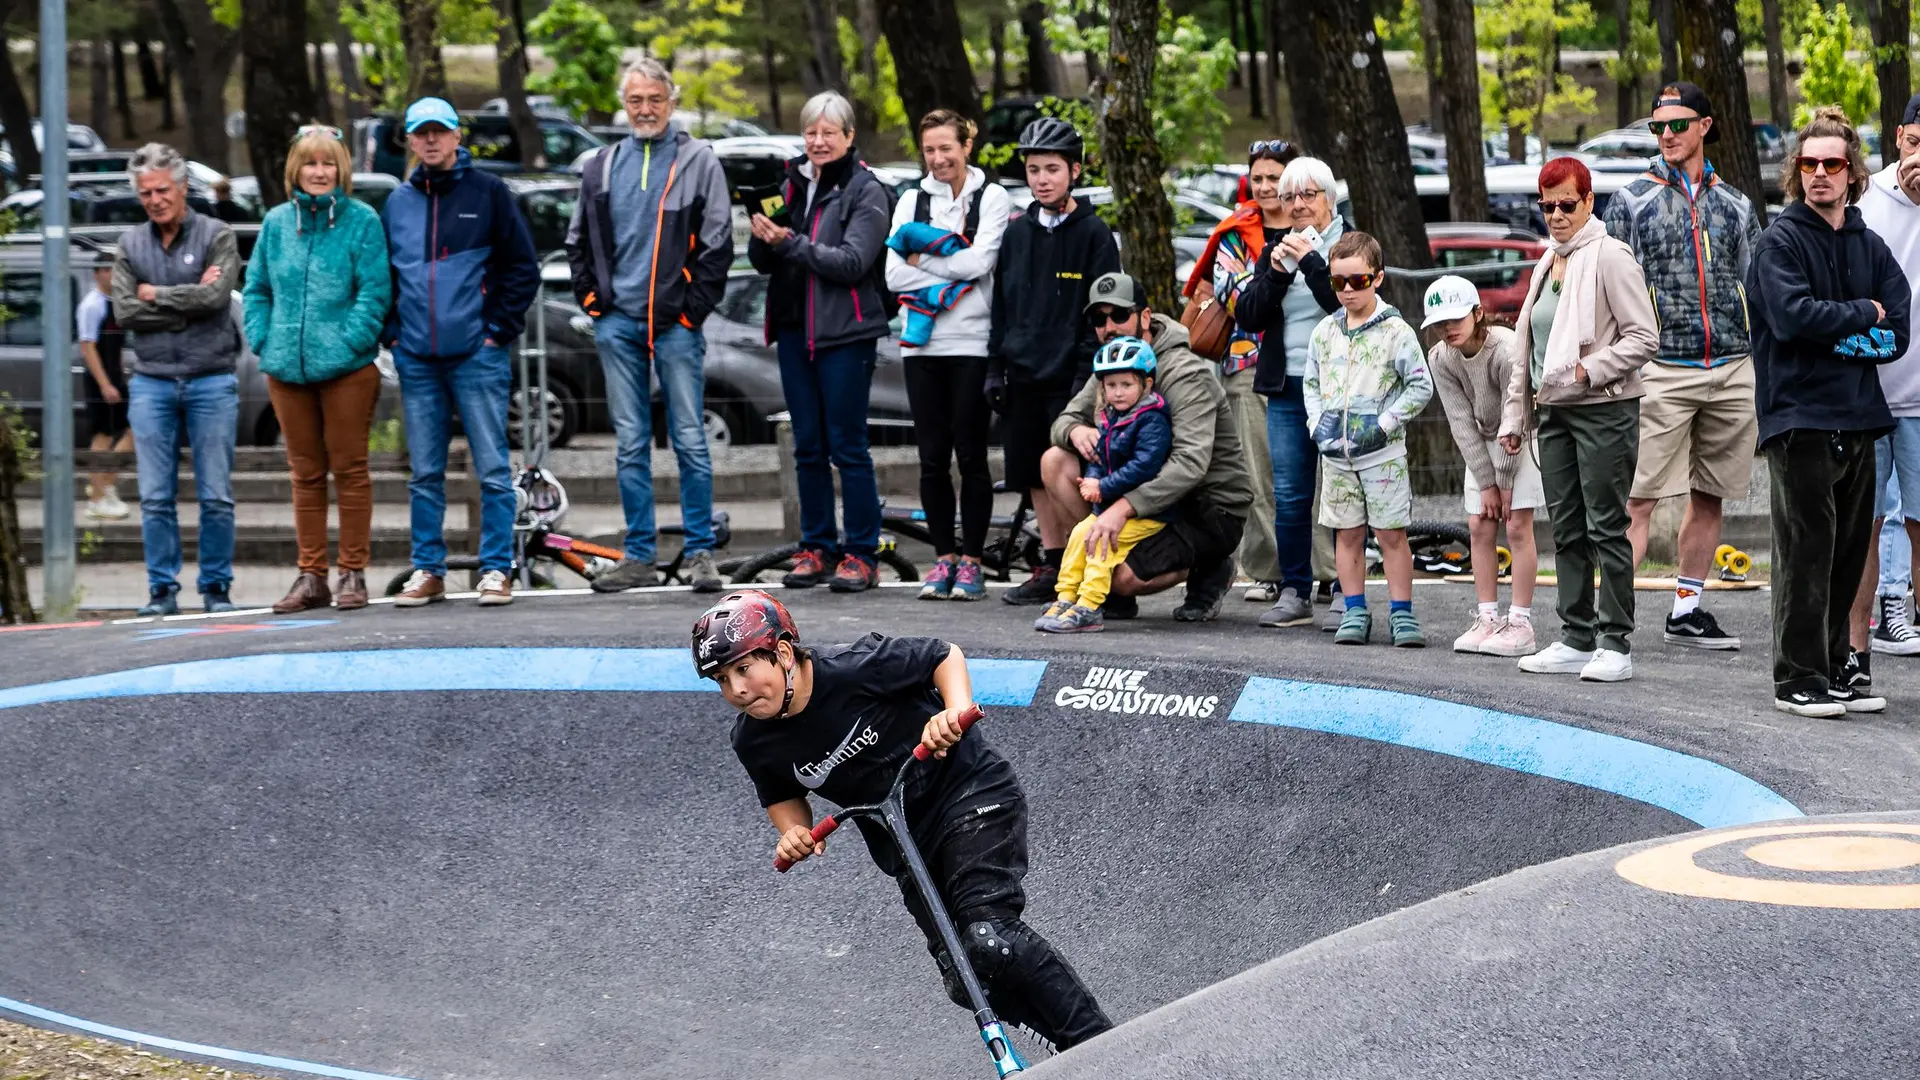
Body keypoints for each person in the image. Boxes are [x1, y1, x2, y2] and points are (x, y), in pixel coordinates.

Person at [696, 590, 1112, 1052]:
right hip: (905, 841)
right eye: (721, 680)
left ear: (784, 653)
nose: (736, 690)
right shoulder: (753, 739)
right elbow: (782, 794)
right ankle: (1076, 1056)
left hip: (968, 793)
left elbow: (943, 655)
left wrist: (953, 710)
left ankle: (1105, 1047)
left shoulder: (856, 666)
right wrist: (792, 831)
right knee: (965, 975)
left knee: (989, 937)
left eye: (743, 669)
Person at [1748, 107, 1909, 717]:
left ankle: (1839, 668)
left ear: (1851, 173)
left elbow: (1897, 332)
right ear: (1797, 171)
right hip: (1798, 418)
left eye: (1832, 163)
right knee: (1805, 549)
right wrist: (1858, 317)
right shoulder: (1778, 243)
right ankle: (1798, 677)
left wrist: (1838, 329)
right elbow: (1791, 319)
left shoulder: (1869, 245)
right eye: (1809, 163)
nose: (1820, 173)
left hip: (1860, 417)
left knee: (1846, 553)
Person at [1603, 82, 1761, 650]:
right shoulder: (1632, 200)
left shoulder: (1737, 204)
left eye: (1676, 124)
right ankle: (1610, 624)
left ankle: (1687, 610)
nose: (1666, 135)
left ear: (1705, 126)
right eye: (1657, 127)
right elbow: (1607, 287)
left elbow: (1757, 284)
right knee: (1638, 498)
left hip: (1731, 362)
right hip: (1662, 367)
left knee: (1711, 493)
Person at [567, 58, 733, 595]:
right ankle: (638, 554)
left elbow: (718, 245)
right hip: (618, 325)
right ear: (625, 103)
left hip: (676, 326)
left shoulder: (699, 160)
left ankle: (701, 553)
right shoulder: (599, 164)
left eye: (654, 99)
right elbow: (577, 243)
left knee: (690, 438)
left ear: (671, 101)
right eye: (635, 99)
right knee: (630, 442)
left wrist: (689, 312)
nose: (644, 109)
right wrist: (596, 304)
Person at [1504, 156, 1658, 683]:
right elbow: (1528, 347)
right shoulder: (1549, 260)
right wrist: (1516, 413)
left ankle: (1615, 641)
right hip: (1554, 412)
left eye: (1567, 204)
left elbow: (1644, 338)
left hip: (1604, 409)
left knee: (1606, 526)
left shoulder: (1611, 256)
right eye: (1546, 206)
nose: (1556, 215)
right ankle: (1576, 634)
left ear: (1589, 201)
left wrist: (1589, 369)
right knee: (1566, 529)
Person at [383, 97, 540, 609]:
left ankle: (496, 569)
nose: (431, 140)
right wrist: (392, 335)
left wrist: (496, 330)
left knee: (492, 468)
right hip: (417, 358)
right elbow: (384, 277)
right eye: (421, 133)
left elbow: (522, 268)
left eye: (440, 131)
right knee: (424, 472)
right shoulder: (398, 203)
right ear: (410, 140)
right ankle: (428, 569)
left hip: (477, 354)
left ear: (456, 137)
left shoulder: (490, 193)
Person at [1042, 272, 1254, 621]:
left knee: (1124, 578)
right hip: (1142, 492)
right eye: (1099, 319)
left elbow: (1190, 464)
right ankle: (1103, 577)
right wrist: (1075, 431)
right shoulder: (1114, 362)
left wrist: (1121, 508)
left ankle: (1211, 565)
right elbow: (1063, 421)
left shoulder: (1184, 372)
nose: (1108, 326)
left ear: (1144, 317)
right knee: (1055, 460)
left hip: (1205, 505)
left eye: (1119, 315)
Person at [242, 125, 393, 614]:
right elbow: (258, 288)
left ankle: (352, 572)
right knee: (304, 474)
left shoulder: (363, 222)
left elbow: (375, 291)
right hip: (286, 368)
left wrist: (349, 340)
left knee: (350, 470)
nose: (320, 172)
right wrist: (265, 337)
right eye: (310, 163)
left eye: (328, 163)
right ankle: (312, 576)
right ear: (295, 170)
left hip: (348, 368)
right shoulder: (276, 224)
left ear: (342, 169)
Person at [747, 91, 893, 593]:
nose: (818, 141)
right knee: (807, 447)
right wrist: (762, 236)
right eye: (811, 132)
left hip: (846, 334)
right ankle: (816, 547)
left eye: (829, 132)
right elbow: (767, 261)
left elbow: (853, 262)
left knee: (847, 447)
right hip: (793, 331)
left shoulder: (866, 189)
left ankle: (861, 553)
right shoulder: (789, 181)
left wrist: (788, 243)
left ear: (850, 137)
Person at [992, 118, 1123, 606]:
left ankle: (1088, 563)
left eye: (1052, 169)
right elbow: (1000, 306)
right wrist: (994, 368)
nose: (1042, 179)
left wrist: (1086, 377)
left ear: (1075, 171)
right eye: (1033, 170)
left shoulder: (1093, 235)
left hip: (1071, 377)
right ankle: (1051, 564)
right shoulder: (1016, 233)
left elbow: (1103, 315)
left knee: (1069, 472)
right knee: (1030, 473)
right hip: (1021, 374)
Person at [884, 109, 1013, 601]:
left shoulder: (992, 197)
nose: (939, 159)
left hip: (973, 343)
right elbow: (894, 276)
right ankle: (943, 560)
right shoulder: (911, 199)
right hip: (922, 345)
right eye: (930, 150)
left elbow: (984, 261)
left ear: (967, 146)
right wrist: (952, 272)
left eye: (947, 148)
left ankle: (973, 561)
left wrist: (923, 260)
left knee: (971, 454)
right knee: (932, 457)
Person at [111, 141, 243, 617]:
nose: (155, 200)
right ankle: (161, 591)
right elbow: (125, 312)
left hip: (211, 378)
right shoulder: (130, 244)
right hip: (151, 382)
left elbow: (217, 301)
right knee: (154, 497)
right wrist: (186, 300)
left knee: (216, 495)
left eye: (163, 190)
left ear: (183, 187)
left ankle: (217, 589)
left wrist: (157, 296)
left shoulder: (218, 234)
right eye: (146, 193)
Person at [1231, 155, 1345, 629]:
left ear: (1329, 199)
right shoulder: (1276, 248)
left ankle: (1346, 587)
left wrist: (1312, 261)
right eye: (1289, 196)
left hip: (1340, 387)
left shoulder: (1351, 243)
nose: (1297, 205)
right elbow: (1249, 316)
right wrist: (1277, 274)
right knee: (1292, 494)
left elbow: (1342, 303)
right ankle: (1296, 589)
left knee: (1343, 491)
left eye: (1307, 195)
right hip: (1286, 385)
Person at [1303, 231, 1433, 647]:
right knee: (1347, 533)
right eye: (1337, 281)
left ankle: (1402, 613)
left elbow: (1420, 386)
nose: (1346, 290)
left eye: (1356, 281)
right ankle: (1354, 609)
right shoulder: (1324, 331)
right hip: (1336, 456)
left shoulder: (1396, 331)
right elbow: (1311, 382)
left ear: (1377, 278)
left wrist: (1384, 424)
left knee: (1392, 533)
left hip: (1382, 456)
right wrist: (1316, 423)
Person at [1185, 139, 1297, 615]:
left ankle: (1321, 572)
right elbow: (1236, 300)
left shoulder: (1316, 224)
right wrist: (1282, 286)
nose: (1268, 186)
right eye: (1260, 178)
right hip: (1248, 366)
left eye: (1276, 178)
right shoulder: (1235, 232)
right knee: (1259, 474)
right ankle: (1269, 570)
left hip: (1307, 367)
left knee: (1306, 477)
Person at [1423, 275, 1541, 656]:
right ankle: (1488, 617)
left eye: (1456, 319)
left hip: (1522, 436)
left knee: (1517, 524)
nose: (1447, 328)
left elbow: (1517, 414)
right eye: (1440, 322)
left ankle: (1521, 622)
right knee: (1478, 524)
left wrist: (1504, 481)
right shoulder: (1440, 356)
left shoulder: (1506, 350)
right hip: (1483, 441)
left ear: (1478, 312)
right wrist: (1487, 481)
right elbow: (1459, 420)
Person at [1034, 337, 1172, 633]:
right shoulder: (1112, 416)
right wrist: (1093, 477)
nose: (1118, 393)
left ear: (1146, 384)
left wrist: (1104, 486)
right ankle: (1067, 597)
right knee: (1079, 535)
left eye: (1126, 384)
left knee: (1100, 540)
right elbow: (1101, 454)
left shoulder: (1152, 419)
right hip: (1110, 502)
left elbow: (1145, 466)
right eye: (1111, 386)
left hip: (1144, 509)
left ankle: (1090, 605)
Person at [1853, 90, 1920, 669]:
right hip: (1870, 392)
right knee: (1866, 521)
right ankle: (1856, 645)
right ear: (1899, 137)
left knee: (1917, 521)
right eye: (1916, 142)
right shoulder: (1868, 199)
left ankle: (1900, 607)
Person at [77, 251, 131, 522]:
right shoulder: (92, 304)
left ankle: (104, 484)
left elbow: (115, 345)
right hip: (101, 381)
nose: (113, 275)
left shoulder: (115, 302)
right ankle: (97, 499)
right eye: (107, 270)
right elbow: (87, 347)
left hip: (116, 378)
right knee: (102, 436)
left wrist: (120, 376)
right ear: (97, 273)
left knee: (131, 431)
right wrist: (105, 384)